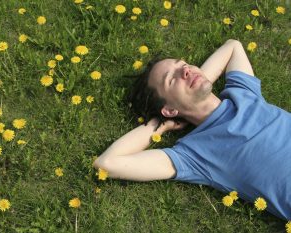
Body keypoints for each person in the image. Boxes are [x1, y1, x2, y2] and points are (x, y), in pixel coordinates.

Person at [92, 39, 291, 220]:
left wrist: (197, 79)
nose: (186, 71)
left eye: (184, 65)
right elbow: (107, 163)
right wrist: (159, 125)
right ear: (169, 109)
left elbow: (233, 46)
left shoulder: (243, 93)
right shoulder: (194, 155)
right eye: (172, 79)